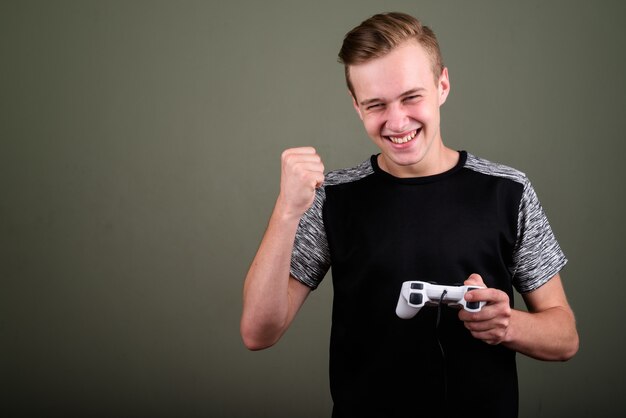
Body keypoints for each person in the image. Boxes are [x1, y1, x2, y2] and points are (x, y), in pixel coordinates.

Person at [240, 12, 579, 418]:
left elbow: (565, 337)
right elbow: (258, 332)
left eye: (411, 97)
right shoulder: (331, 198)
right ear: (356, 105)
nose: (397, 121)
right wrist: (285, 210)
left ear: (443, 85)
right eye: (376, 105)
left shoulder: (508, 190)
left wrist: (508, 325)